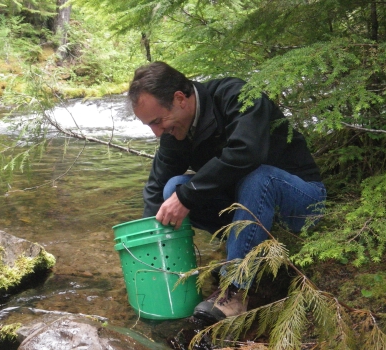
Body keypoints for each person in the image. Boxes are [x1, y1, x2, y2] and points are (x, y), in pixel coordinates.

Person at [127, 61, 326, 324]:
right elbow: (155, 189)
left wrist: (189, 195)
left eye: (157, 121)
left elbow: (247, 152)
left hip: (301, 199)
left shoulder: (236, 96)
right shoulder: (175, 133)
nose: (156, 133)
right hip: (248, 203)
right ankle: (238, 251)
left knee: (258, 177)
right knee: (172, 188)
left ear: (180, 99)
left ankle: (234, 291)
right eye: (149, 126)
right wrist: (150, 250)